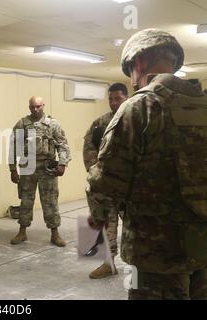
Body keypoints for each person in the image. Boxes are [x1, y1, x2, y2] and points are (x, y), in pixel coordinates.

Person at [87, 28, 207, 299]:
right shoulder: (203, 104)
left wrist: (99, 217)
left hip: (155, 255)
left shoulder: (140, 108)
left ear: (138, 62)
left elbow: (104, 186)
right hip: (202, 247)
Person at [9, 96, 71, 246]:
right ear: (29, 107)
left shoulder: (53, 124)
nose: (35, 109)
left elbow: (62, 145)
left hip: (47, 167)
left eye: (38, 106)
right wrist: (12, 169)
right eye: (32, 107)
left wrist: (62, 164)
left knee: (50, 201)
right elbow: (13, 147)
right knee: (25, 200)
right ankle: (22, 232)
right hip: (27, 167)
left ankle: (55, 234)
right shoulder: (22, 124)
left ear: (43, 105)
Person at [83, 83, 128, 279]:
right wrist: (98, 175)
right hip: (106, 187)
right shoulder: (99, 123)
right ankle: (108, 264)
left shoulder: (137, 121)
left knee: (137, 228)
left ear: (126, 98)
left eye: (118, 98)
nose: (113, 102)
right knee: (105, 224)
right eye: (111, 99)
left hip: (130, 187)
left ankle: (140, 267)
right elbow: (88, 149)